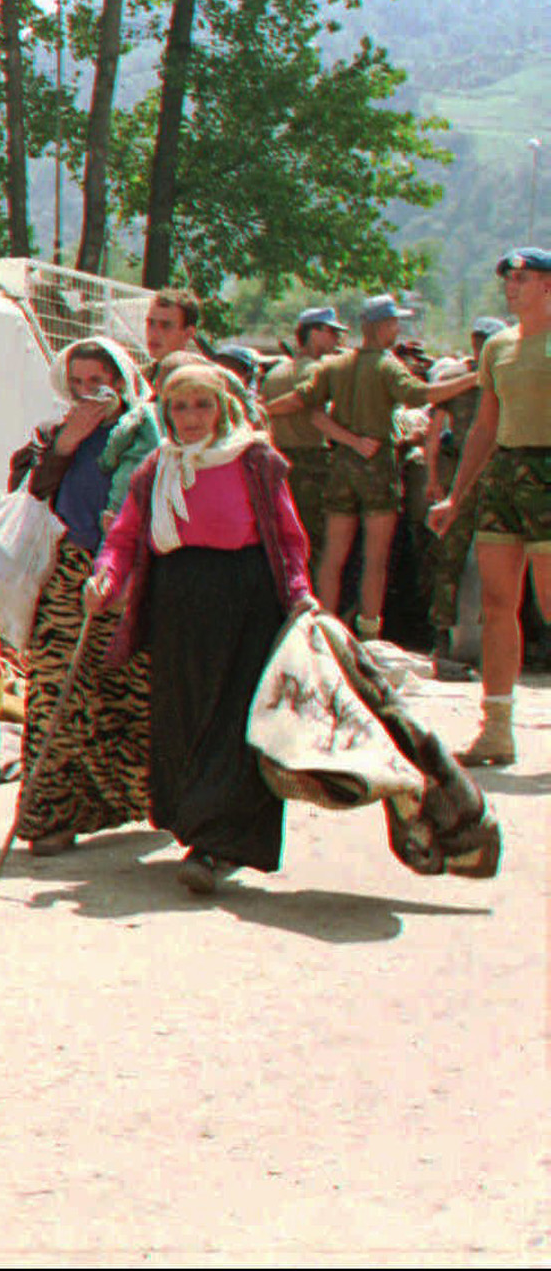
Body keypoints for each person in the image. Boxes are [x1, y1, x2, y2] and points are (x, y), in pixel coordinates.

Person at [86, 363, 317, 894]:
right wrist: (105, 578)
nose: (191, 418)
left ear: (224, 407)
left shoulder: (254, 459)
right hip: (179, 600)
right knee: (184, 715)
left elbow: (287, 534)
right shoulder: (156, 468)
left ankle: (217, 845)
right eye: (180, 407)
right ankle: (196, 828)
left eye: (202, 405)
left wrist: (300, 594)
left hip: (246, 599)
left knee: (234, 719)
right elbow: (124, 536)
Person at [2, 337, 160, 857]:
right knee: (53, 689)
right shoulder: (52, 435)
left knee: (130, 690)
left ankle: (149, 800)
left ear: (121, 380)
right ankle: (50, 813)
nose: (91, 392)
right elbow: (31, 491)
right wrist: (68, 443)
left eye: (101, 381)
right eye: (80, 382)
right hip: (68, 570)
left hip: (133, 572)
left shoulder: (148, 431)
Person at [428, 248, 551, 765]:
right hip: (504, 478)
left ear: (548, 284)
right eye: (508, 279)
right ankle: (497, 730)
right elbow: (482, 427)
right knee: (498, 605)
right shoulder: (498, 347)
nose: (511, 286)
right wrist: (456, 495)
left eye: (522, 278)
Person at [265, 294, 448, 639]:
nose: (336, 338)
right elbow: (417, 396)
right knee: (371, 557)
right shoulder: (380, 364)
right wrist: (472, 380)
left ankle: (322, 627)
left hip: (325, 466)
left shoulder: (318, 367)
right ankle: (368, 630)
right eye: (394, 323)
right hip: (361, 463)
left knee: (325, 553)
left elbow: (304, 405)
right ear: (382, 325)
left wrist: (261, 410)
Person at [422, 317, 509, 682]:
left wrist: (434, 481)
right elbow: (433, 433)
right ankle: (447, 640)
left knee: (472, 560)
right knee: (459, 559)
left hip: (486, 478)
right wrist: (435, 482)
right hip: (478, 478)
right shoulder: (475, 381)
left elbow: (431, 435)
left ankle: (462, 644)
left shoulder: (482, 380)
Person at [259, 306, 356, 564]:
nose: (337, 339)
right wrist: (356, 443)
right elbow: (309, 410)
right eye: (332, 332)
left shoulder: (275, 373)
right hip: (309, 464)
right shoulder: (316, 370)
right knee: (312, 540)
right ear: (314, 333)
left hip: (279, 458)